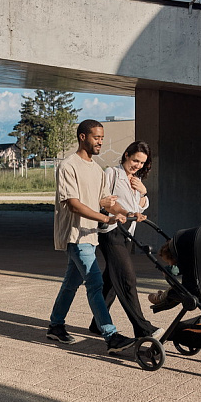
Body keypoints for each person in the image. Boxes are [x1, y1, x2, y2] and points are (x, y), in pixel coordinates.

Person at [46, 119, 138, 354]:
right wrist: (106, 219)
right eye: (96, 138)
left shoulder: (97, 169)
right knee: (95, 283)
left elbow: (107, 201)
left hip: (90, 234)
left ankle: (55, 325)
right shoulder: (68, 166)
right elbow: (74, 204)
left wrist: (128, 213)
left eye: (102, 138)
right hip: (76, 235)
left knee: (71, 283)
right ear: (82, 137)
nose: (100, 142)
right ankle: (110, 335)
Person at [89, 141, 164, 340]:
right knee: (127, 278)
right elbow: (105, 201)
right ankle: (143, 328)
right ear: (126, 155)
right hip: (111, 231)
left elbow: (139, 207)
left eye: (142, 163)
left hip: (127, 233)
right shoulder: (112, 173)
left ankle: (98, 323)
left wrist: (143, 191)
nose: (137, 165)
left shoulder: (136, 180)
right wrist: (126, 212)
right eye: (135, 160)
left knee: (112, 280)